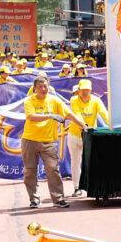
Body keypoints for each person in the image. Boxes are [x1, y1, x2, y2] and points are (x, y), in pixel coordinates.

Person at [23, 75, 87, 208]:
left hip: (49, 141)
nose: (43, 88)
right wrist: (50, 115)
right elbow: (31, 116)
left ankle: (58, 199)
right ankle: (34, 199)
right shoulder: (29, 101)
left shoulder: (54, 100)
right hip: (30, 140)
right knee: (30, 171)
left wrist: (81, 124)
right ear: (34, 88)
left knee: (53, 170)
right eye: (40, 86)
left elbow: (68, 114)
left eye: (45, 86)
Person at [66, 79, 109, 197]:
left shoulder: (96, 100)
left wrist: (112, 125)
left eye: (87, 90)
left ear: (91, 90)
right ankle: (76, 188)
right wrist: (84, 126)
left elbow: (104, 113)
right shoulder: (74, 100)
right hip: (75, 135)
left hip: (89, 137)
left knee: (91, 162)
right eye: (83, 90)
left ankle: (92, 187)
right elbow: (77, 114)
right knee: (75, 162)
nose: (85, 92)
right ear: (78, 90)